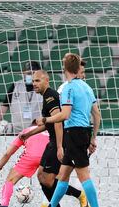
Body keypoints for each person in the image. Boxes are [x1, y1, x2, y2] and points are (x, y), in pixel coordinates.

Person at [35, 53, 101, 207]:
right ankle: (52, 205)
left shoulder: (68, 89)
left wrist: (45, 119)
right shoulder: (87, 87)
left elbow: (65, 114)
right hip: (83, 132)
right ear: (78, 68)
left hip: (74, 134)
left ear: (64, 68)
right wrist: (93, 137)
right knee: (63, 175)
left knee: (84, 175)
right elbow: (97, 115)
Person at [21, 70, 88, 207]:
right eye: (33, 81)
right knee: (41, 176)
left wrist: (59, 147)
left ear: (47, 80)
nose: (34, 84)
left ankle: (80, 195)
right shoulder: (46, 96)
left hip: (60, 141)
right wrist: (29, 134)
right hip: (53, 141)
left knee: (49, 179)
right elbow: (49, 123)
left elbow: (58, 122)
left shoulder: (50, 96)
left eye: (38, 81)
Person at [0, 120, 50, 207]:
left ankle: (4, 205)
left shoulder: (25, 131)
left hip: (30, 157)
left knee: (10, 180)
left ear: (31, 124)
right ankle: (46, 204)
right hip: (48, 156)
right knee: (51, 183)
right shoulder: (51, 131)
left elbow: (7, 154)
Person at [0, 61, 43, 134]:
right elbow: (4, 106)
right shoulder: (15, 86)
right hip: (16, 129)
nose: (31, 75)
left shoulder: (44, 88)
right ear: (23, 73)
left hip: (36, 129)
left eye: (34, 73)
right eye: (29, 73)